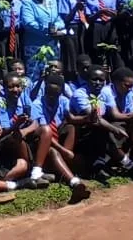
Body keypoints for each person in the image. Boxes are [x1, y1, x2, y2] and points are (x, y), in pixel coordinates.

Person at [30, 71, 90, 202]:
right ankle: (74, 183)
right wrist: (64, 151)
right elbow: (45, 135)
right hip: (41, 146)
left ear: (61, 92)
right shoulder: (37, 104)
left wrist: (87, 118)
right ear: (45, 90)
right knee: (53, 151)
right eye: (49, 93)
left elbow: (71, 118)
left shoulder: (63, 101)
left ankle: (62, 165)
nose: (52, 97)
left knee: (71, 127)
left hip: (58, 141)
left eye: (55, 94)